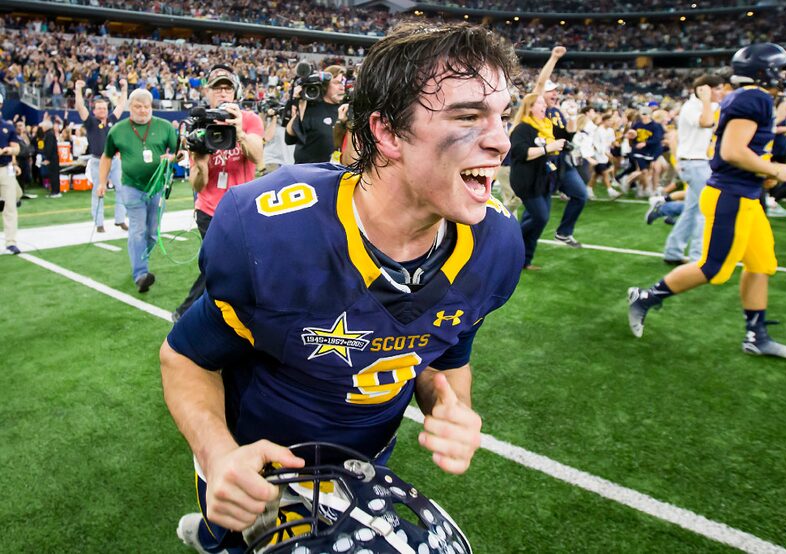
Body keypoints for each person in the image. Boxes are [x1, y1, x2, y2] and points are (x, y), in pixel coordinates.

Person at [160, 22, 523, 554]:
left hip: (364, 469)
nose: (501, 140)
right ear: (387, 133)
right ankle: (217, 534)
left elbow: (444, 355)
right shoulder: (274, 233)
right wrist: (217, 456)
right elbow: (186, 357)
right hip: (259, 456)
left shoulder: (495, 247)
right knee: (233, 528)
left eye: (502, 116)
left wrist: (449, 403)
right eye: (468, 116)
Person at [627, 43, 786, 360]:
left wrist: (762, 172)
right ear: (763, 69)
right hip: (732, 194)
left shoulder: (747, 97)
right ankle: (645, 296)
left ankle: (757, 335)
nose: (782, 75)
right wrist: (774, 169)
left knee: (761, 263)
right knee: (713, 268)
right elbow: (733, 152)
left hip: (744, 193)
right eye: (779, 68)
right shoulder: (755, 97)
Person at [172, 65, 264, 321]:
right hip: (210, 208)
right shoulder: (199, 125)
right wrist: (200, 163)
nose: (222, 94)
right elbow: (197, 184)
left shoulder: (249, 119)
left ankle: (195, 311)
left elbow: (258, 156)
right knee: (222, 262)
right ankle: (194, 313)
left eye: (227, 88)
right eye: (217, 89)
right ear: (208, 93)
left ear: (235, 93)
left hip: (242, 207)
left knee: (227, 264)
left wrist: (239, 131)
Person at [100, 89, 177, 293]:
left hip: (158, 187)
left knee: (152, 233)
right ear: (129, 107)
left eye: (146, 106)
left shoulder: (165, 127)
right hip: (131, 187)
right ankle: (141, 274)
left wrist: (172, 158)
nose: (143, 110)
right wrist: (101, 182)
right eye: (138, 106)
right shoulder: (117, 130)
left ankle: (139, 260)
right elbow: (107, 157)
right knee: (138, 229)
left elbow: (180, 152)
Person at [663, 74, 725, 265]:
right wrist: (706, 100)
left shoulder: (707, 106)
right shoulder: (691, 107)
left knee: (691, 210)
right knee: (704, 211)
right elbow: (706, 122)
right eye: (718, 88)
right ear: (704, 90)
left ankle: (673, 252)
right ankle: (699, 258)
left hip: (698, 162)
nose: (721, 92)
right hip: (694, 163)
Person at [537, 47, 588, 248]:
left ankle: (564, 232)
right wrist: (554, 58)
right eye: (552, 91)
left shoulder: (557, 111)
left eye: (557, 91)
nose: (556, 94)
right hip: (541, 161)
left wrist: (572, 122)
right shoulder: (537, 107)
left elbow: (565, 138)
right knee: (538, 213)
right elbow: (540, 83)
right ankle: (520, 241)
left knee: (580, 194)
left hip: (560, 161)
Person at [509, 92, 565, 270]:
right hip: (526, 181)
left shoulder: (546, 126)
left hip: (543, 180)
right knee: (540, 217)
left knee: (538, 221)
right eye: (540, 103)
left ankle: (525, 260)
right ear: (530, 107)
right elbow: (520, 152)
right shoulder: (522, 128)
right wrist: (549, 147)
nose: (544, 106)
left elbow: (567, 134)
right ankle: (509, 241)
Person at [75, 78, 130, 233]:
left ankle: (120, 220)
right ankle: (99, 223)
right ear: (94, 110)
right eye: (99, 108)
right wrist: (78, 90)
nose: (102, 110)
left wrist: (124, 89)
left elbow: (121, 105)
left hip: (114, 160)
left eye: (104, 108)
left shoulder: (111, 119)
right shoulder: (91, 122)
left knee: (121, 189)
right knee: (98, 191)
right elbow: (80, 107)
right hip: (98, 161)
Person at [284, 64, 346, 163]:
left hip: (335, 174)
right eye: (337, 83)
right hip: (307, 174)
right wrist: (300, 105)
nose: (342, 87)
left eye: (343, 83)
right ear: (325, 85)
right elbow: (289, 138)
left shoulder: (344, 110)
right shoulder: (310, 106)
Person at [0, 94, 22, 254]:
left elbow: (17, 148)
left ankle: (11, 241)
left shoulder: (7, 126)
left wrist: (10, 150)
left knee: (10, 207)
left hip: (5, 167)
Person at [39, 117, 61, 198]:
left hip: (52, 158)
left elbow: (49, 147)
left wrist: (47, 158)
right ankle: (54, 191)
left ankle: (56, 192)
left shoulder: (49, 135)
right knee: (53, 175)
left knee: (54, 175)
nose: (42, 128)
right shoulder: (49, 134)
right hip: (53, 158)